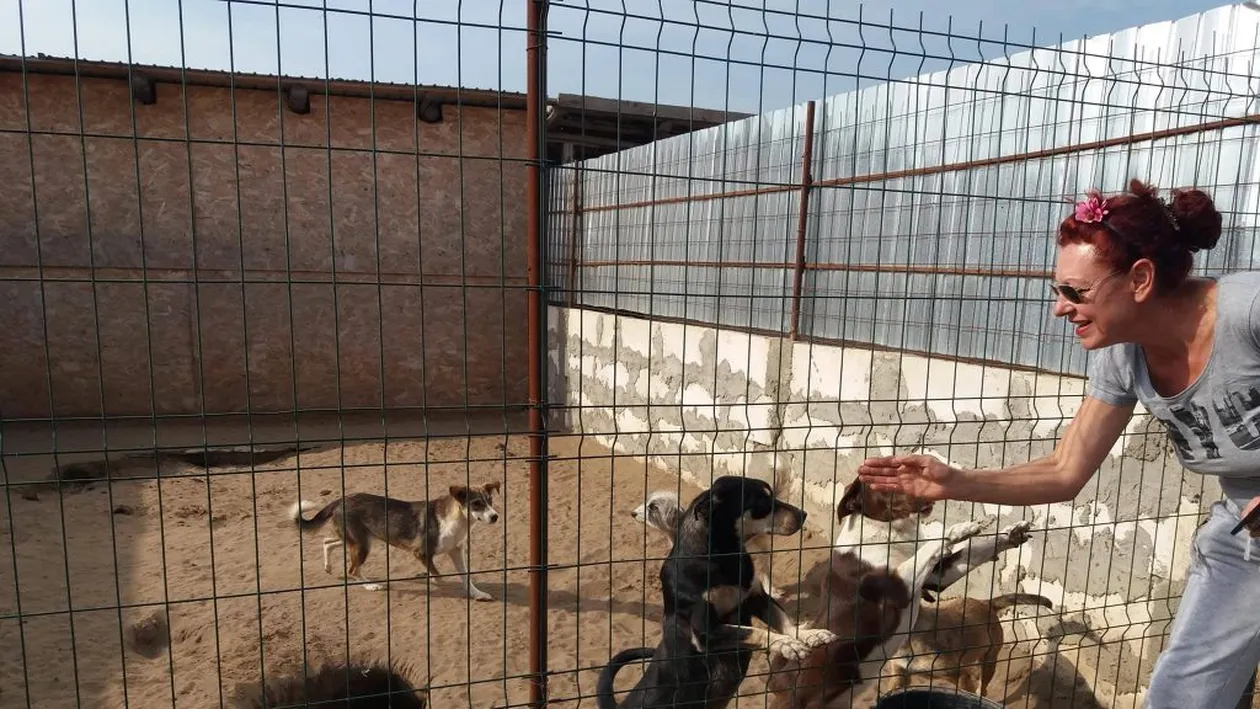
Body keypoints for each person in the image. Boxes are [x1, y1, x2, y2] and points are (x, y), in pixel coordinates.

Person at [856, 177, 1260, 708]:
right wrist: (952, 482)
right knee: (1183, 692)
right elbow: (1066, 470)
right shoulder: (1123, 357)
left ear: (1140, 278)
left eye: (1076, 292)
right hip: (1247, 531)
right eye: (1057, 292)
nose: (1060, 309)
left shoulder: (1246, 310)